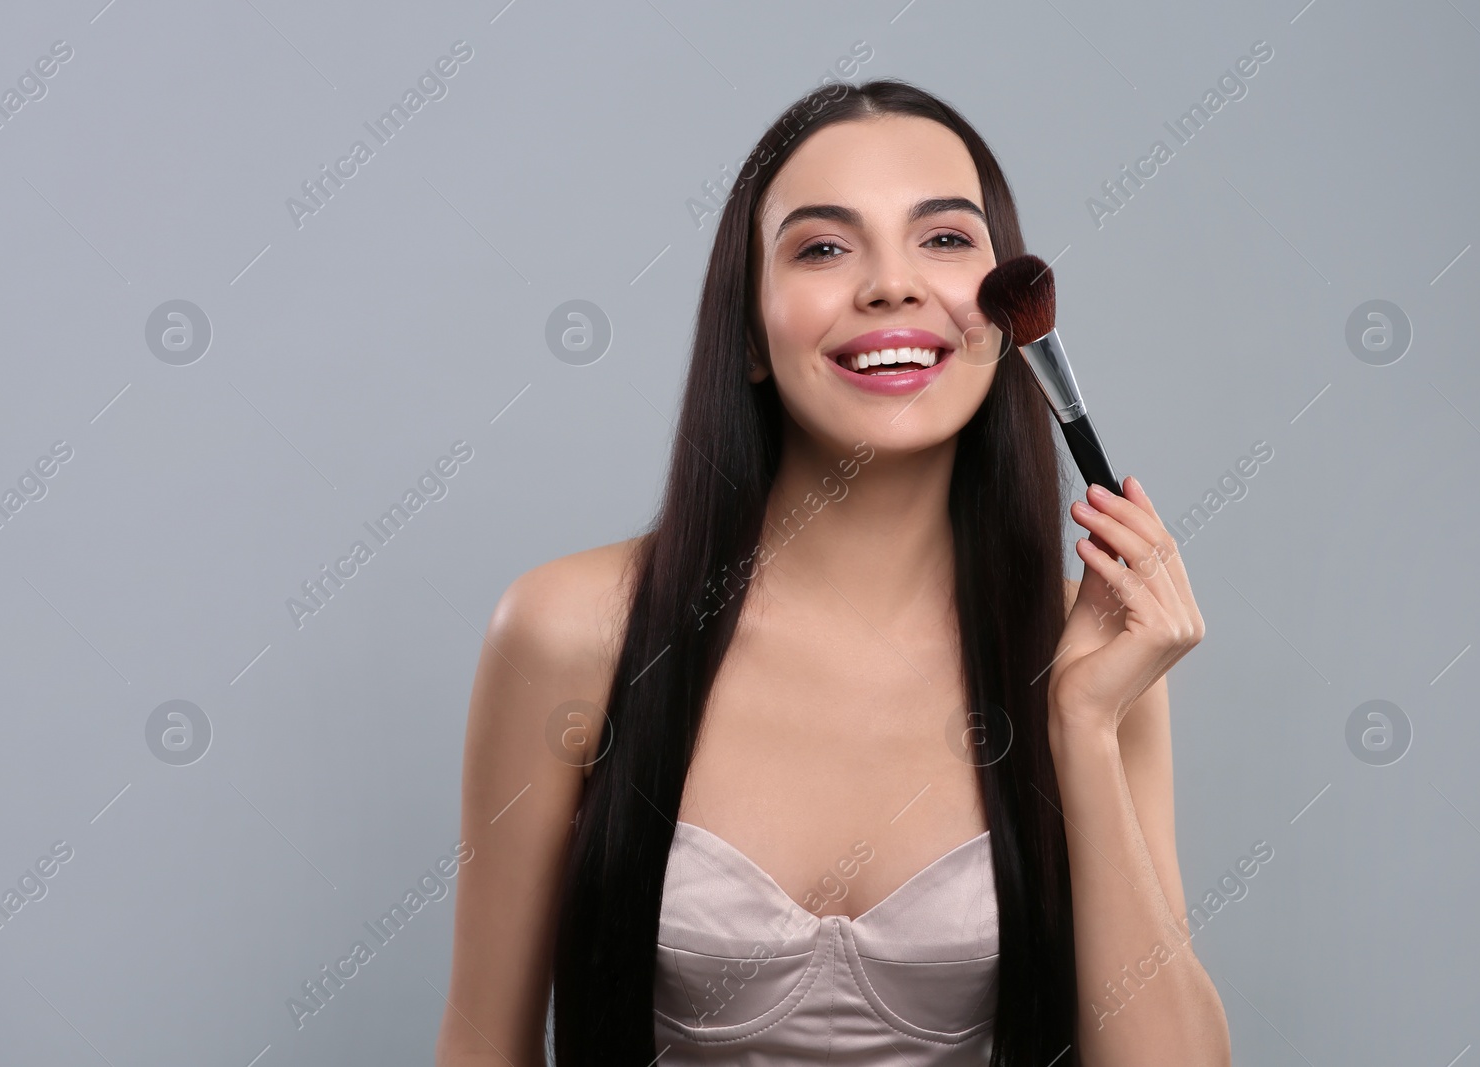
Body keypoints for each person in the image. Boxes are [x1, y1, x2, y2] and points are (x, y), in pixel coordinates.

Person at [435, 79, 1229, 1067]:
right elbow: (480, 1049)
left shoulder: (1088, 656)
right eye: (821, 246)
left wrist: (1080, 720)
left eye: (943, 239)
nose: (891, 283)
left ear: (1002, 316)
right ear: (753, 334)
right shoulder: (571, 629)